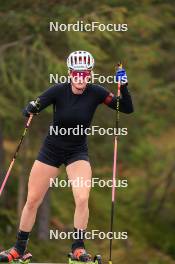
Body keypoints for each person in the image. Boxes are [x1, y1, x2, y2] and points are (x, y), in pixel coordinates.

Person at [0, 51, 134, 262]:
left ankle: (78, 248)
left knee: (82, 197)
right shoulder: (58, 90)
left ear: (90, 74)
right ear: (70, 73)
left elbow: (125, 108)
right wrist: (31, 108)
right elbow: (32, 107)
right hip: (51, 150)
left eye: (85, 73)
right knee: (33, 199)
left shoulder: (97, 92)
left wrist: (123, 87)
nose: (80, 78)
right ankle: (19, 249)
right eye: (76, 73)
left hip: (77, 152)